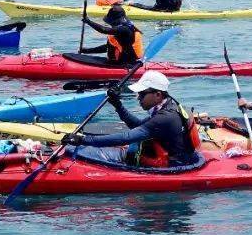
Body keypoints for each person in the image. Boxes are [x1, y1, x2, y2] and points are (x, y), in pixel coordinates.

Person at [61, 71, 200, 167]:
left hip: (170, 166)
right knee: (81, 148)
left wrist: (83, 140)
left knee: (79, 150)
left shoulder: (166, 117)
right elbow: (137, 125)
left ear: (158, 94)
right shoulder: (169, 105)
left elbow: (126, 137)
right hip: (173, 159)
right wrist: (117, 104)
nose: (138, 98)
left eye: (142, 94)